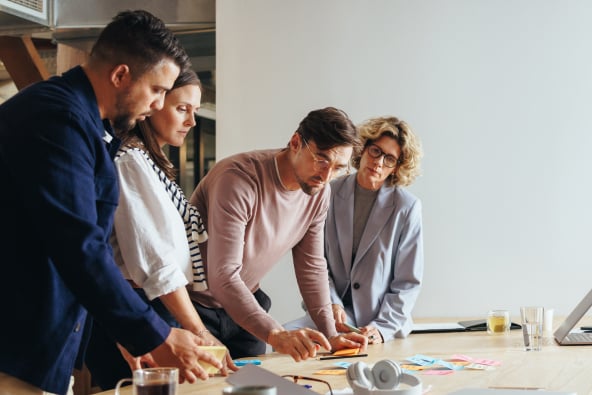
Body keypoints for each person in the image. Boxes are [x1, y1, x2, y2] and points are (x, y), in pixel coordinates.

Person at [0, 10, 221, 395]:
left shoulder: (88, 127)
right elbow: (78, 246)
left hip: (38, 346)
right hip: (14, 345)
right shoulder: (57, 119)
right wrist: (153, 335)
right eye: (156, 90)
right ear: (120, 75)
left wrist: (128, 334)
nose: (157, 106)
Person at [84, 68, 236, 390]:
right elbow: (156, 262)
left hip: (155, 306)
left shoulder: (151, 162)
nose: (192, 121)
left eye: (195, 110)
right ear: (154, 105)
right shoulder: (129, 161)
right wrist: (198, 330)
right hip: (137, 306)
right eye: (182, 108)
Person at [188, 107, 368, 361]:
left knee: (253, 387)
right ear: (296, 142)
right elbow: (223, 275)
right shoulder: (238, 179)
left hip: (245, 306)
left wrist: (330, 333)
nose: (326, 176)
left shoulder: (318, 192)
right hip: (194, 308)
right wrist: (276, 333)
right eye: (321, 160)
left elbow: (312, 266)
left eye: (338, 168)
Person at [284, 116, 424, 344]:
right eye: (376, 151)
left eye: (390, 159)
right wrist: (331, 302)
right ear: (363, 149)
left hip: (380, 323)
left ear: (397, 167)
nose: (379, 163)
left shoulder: (406, 208)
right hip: (333, 315)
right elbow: (316, 261)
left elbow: (407, 283)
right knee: (283, 340)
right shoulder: (327, 192)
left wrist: (381, 329)